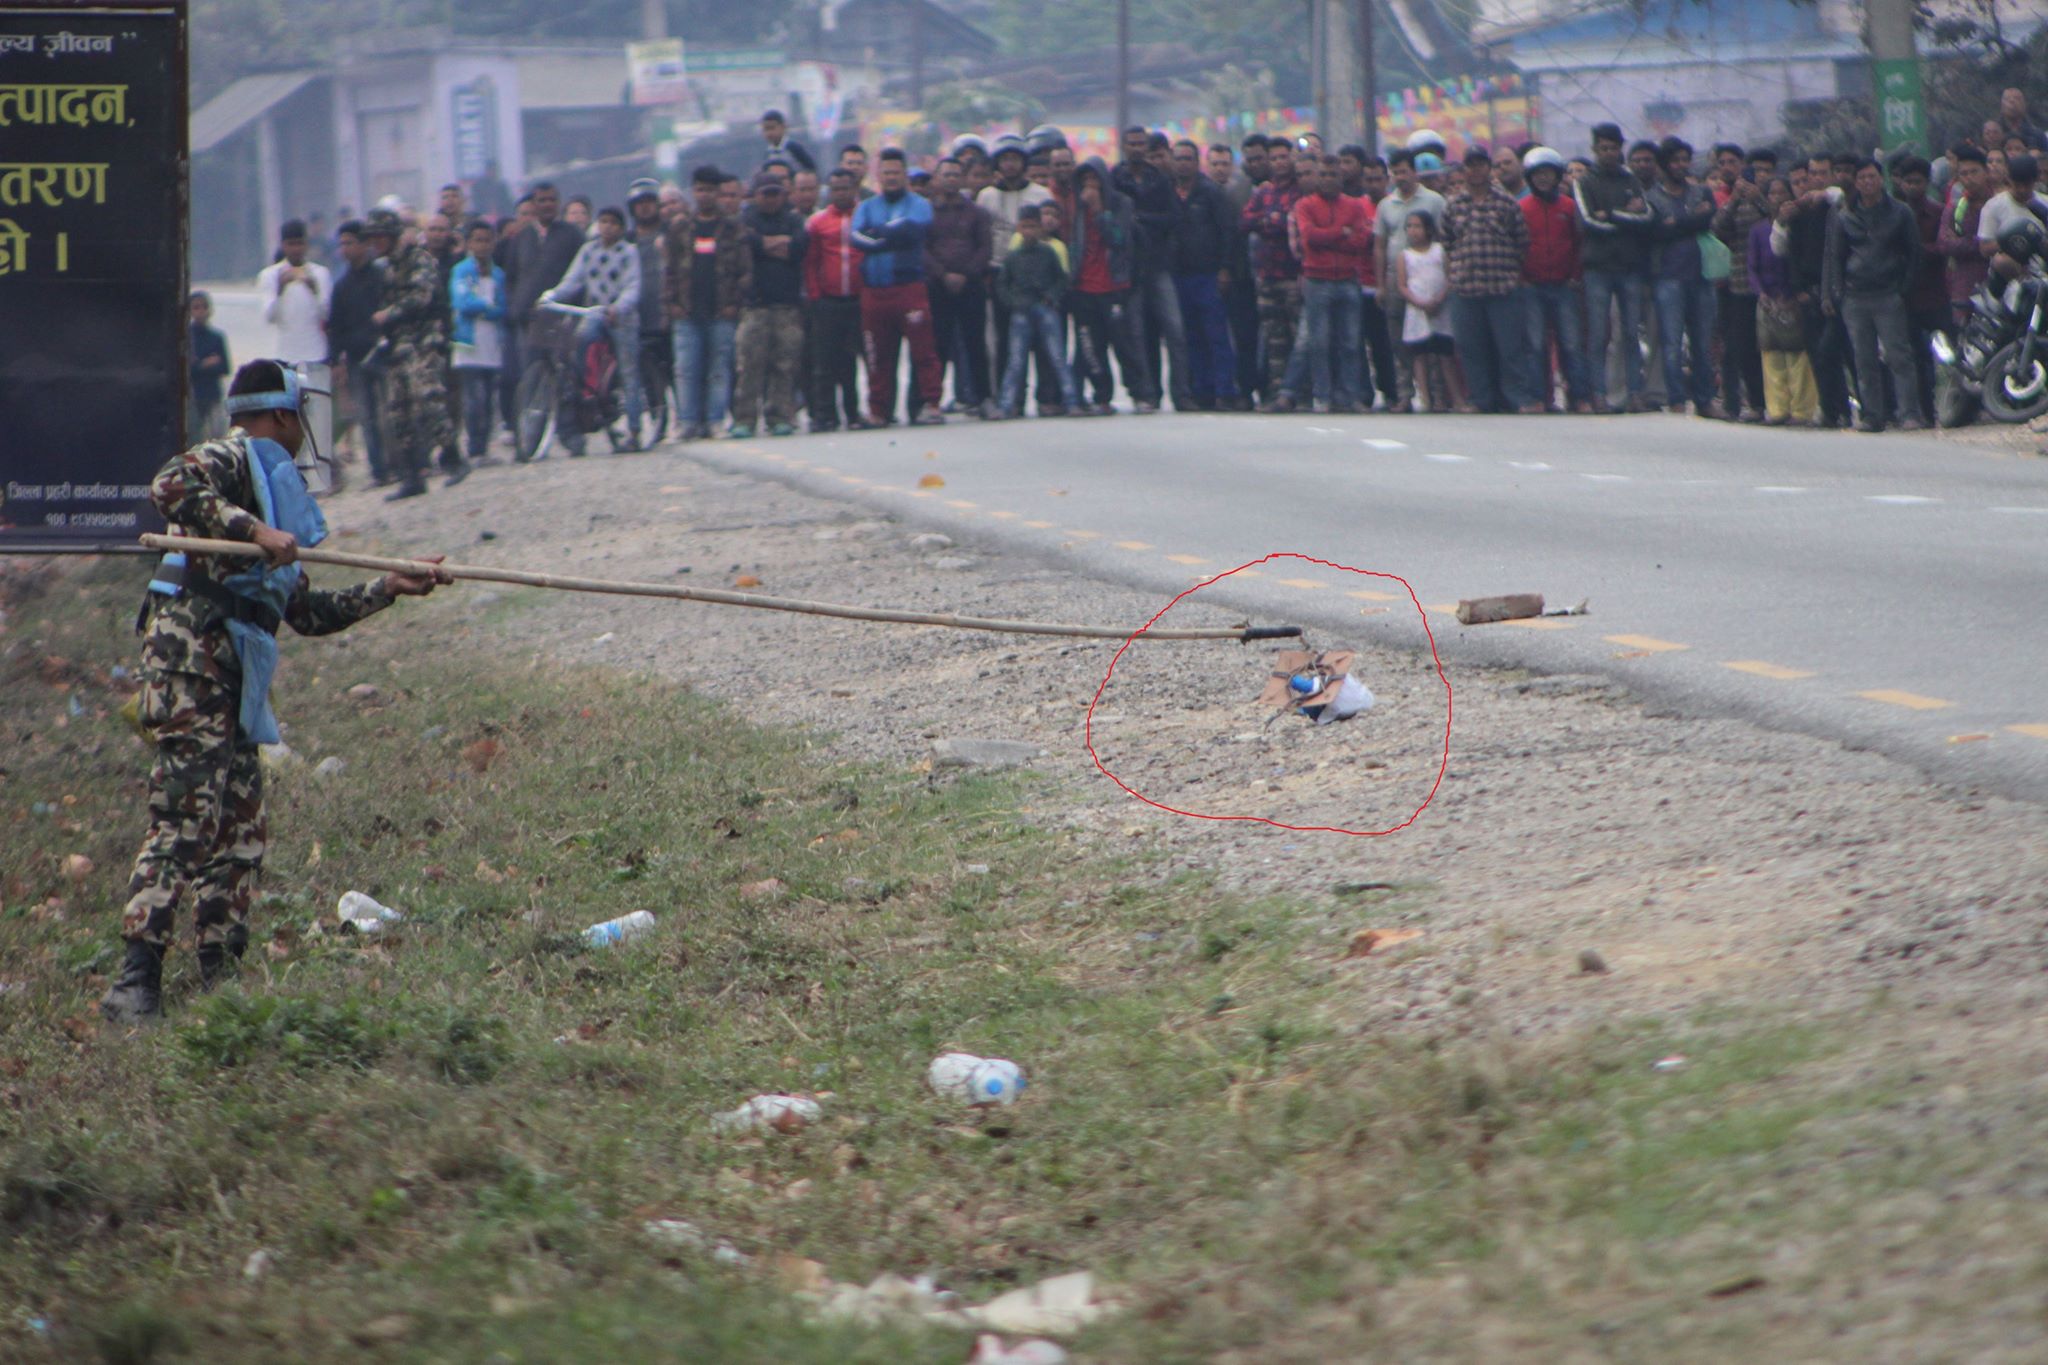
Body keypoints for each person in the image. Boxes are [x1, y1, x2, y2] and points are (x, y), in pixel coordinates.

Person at [100, 359, 450, 1023]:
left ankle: (220, 980)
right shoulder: (231, 458)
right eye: (298, 417)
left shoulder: (270, 490)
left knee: (240, 833)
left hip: (236, 675)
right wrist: (254, 532)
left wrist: (389, 588)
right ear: (283, 416)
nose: (301, 430)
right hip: (191, 663)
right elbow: (169, 483)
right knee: (184, 819)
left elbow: (305, 613)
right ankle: (134, 982)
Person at [366, 208, 462, 499]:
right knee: (398, 409)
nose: (375, 242)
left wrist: (389, 314)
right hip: (399, 345)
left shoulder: (418, 259)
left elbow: (422, 297)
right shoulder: (386, 267)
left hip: (424, 340)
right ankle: (411, 475)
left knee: (428, 397)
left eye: (379, 236)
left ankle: (452, 457)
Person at [1822, 158, 1923, 431]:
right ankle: (1872, 415)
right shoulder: (1844, 215)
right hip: (1855, 296)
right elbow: (1835, 256)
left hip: (1889, 293)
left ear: (1882, 180)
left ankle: (1909, 413)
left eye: (1872, 177)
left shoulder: (1899, 212)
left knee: (1899, 355)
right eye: (1862, 178)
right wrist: (1836, 292)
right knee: (1863, 359)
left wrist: (1904, 287)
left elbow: (1914, 252)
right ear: (1855, 183)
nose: (1867, 182)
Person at [851, 148, 945, 426]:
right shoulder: (866, 206)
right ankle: (878, 410)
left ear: (905, 175)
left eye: (896, 173)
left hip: (909, 288)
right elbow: (857, 238)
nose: (891, 178)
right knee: (877, 356)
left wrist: (878, 233)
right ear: (878, 176)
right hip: (874, 292)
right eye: (886, 173)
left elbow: (914, 230)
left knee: (924, 350)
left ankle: (931, 403)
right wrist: (890, 236)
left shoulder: (919, 204)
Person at [1442, 145, 1537, 413]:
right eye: (1470, 165)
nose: (1476, 170)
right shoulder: (1454, 205)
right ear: (1464, 169)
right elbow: (1447, 242)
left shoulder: (1505, 202)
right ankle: (1481, 399)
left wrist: (1509, 271)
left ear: (1488, 168)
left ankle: (1516, 398)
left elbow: (1521, 242)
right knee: (1472, 349)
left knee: (1510, 348)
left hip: (1502, 286)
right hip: (1466, 288)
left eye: (1481, 164)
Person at [547, 205, 645, 451]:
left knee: (629, 371)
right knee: (580, 344)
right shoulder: (588, 250)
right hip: (594, 313)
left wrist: (618, 307)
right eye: (603, 222)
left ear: (621, 228)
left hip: (621, 318)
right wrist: (551, 296)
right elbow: (573, 280)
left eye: (613, 223)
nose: (607, 227)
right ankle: (589, 400)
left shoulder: (628, 252)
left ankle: (634, 428)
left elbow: (633, 286)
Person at [665, 165, 749, 441]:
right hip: (686, 310)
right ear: (693, 191)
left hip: (721, 310)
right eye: (700, 189)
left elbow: (744, 270)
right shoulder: (679, 227)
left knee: (719, 369)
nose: (705, 195)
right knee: (687, 369)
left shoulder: (733, 227)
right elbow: (669, 269)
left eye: (711, 190)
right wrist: (671, 303)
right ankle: (688, 421)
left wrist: (735, 303)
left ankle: (715, 420)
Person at [500, 181, 585, 454]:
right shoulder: (521, 238)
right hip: (528, 317)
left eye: (551, 200)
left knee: (564, 374)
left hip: (561, 315)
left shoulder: (572, 235)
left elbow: (582, 276)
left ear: (558, 204)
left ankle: (570, 433)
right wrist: (516, 305)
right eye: (541, 200)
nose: (546, 205)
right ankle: (530, 438)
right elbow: (512, 276)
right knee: (532, 376)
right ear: (533, 205)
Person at [1575, 123, 1655, 412]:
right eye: (1604, 148)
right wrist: (1622, 215)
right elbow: (1587, 222)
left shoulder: (1630, 180)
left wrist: (1609, 215)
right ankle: (1599, 393)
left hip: (1629, 266)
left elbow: (1645, 217)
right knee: (1599, 334)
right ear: (1595, 149)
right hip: (1598, 267)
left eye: (1614, 147)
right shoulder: (1584, 181)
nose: (1609, 153)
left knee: (1631, 332)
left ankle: (1635, 393)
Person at [1644, 137, 1721, 417]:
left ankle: (1705, 400)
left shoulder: (1701, 192)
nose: (1681, 165)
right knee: (1672, 343)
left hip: (1701, 275)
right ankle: (1676, 398)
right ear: (1665, 165)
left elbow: (1708, 218)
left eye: (1685, 160)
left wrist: (1677, 223)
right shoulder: (1652, 197)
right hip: (1667, 276)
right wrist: (1690, 220)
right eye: (1675, 160)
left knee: (1703, 344)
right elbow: (1655, 231)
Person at [1067, 157, 1149, 414]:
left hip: (1113, 285)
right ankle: (1101, 395)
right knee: (1091, 346)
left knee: (1125, 344)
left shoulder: (1121, 204)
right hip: (1084, 287)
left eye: (1094, 180)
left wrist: (1100, 212)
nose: (1090, 186)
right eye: (1085, 181)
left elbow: (1119, 240)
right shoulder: (1076, 209)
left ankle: (1140, 393)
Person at [730, 173, 809, 439]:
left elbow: (798, 247)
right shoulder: (745, 219)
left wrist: (763, 244)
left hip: (787, 306)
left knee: (785, 365)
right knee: (749, 364)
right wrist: (775, 244)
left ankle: (780, 417)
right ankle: (744, 418)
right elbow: (746, 243)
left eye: (776, 193)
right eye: (766, 193)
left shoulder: (794, 218)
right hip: (755, 305)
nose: (771, 198)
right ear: (755, 195)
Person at [1114, 127, 1187, 412]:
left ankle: (1182, 394)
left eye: (1140, 144)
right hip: (1129, 268)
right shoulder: (1114, 179)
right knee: (1137, 334)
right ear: (1123, 146)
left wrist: (1139, 219)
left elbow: (1173, 218)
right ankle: (1146, 393)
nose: (1136, 148)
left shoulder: (1159, 180)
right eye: (1131, 143)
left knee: (1175, 331)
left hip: (1159, 264)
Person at [1290, 154, 1368, 411]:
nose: (1327, 180)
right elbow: (1309, 238)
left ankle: (1350, 396)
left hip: (1347, 278)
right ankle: (1322, 395)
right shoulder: (1305, 205)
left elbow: (1360, 241)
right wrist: (1341, 233)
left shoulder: (1354, 206)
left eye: (1332, 175)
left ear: (1340, 178)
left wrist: (1332, 237)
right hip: (1317, 279)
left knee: (1350, 341)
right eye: (1323, 175)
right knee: (1319, 341)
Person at [1519, 147, 1592, 412]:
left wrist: (1575, 275)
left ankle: (1580, 397)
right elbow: (1517, 245)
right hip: (1532, 286)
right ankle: (1538, 398)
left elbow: (1579, 242)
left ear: (1557, 176)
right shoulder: (1523, 207)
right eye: (1537, 174)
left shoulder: (1569, 206)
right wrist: (1523, 277)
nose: (1543, 179)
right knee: (1535, 344)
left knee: (1571, 344)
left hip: (1564, 285)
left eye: (1548, 174)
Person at [1374, 149, 1447, 412]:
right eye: (1394, 172)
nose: (1399, 177)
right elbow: (1380, 245)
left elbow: (1444, 239)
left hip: (1428, 277)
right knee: (1399, 339)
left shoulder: (1434, 201)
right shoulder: (1386, 205)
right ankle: (1405, 394)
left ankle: (1438, 396)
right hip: (1397, 278)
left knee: (1433, 337)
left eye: (1404, 171)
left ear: (1414, 172)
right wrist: (1381, 283)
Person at [1168, 139, 1237, 410]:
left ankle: (1224, 391)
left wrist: (1225, 268)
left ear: (1197, 163)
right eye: (1179, 158)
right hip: (1179, 275)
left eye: (1188, 159)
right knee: (1191, 337)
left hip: (1208, 274)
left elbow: (1227, 232)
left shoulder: (1211, 193)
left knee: (1217, 336)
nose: (1183, 164)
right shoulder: (1168, 193)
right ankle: (1202, 391)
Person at [995, 205, 1082, 418]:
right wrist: (1012, 302)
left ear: (1040, 228)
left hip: (1045, 308)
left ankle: (1071, 401)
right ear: (1018, 228)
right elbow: (1002, 284)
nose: (1029, 231)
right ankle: (1006, 405)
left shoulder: (1048, 252)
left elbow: (1061, 279)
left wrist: (1051, 296)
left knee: (1057, 357)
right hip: (1021, 311)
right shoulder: (1013, 256)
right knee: (1016, 361)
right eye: (1025, 227)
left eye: (1033, 227)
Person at [925, 157, 995, 418]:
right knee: (937, 345)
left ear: (963, 179)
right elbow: (923, 249)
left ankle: (984, 399)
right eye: (947, 175)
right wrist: (943, 274)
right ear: (937, 179)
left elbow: (984, 248)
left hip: (971, 284)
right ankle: (932, 402)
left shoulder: (977, 213)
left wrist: (966, 273)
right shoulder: (927, 213)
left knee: (975, 344)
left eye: (956, 174)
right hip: (938, 285)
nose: (952, 179)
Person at [1243, 137, 1308, 411]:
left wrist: (1271, 222)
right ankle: (1275, 393)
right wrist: (1273, 221)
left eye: (1284, 157)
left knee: (1298, 337)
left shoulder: (1301, 191)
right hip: (1267, 275)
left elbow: (1296, 225)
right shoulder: (1262, 193)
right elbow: (1245, 221)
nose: (1280, 162)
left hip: (1294, 275)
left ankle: (1301, 394)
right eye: (1275, 158)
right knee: (1273, 339)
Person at [804, 168, 867, 433]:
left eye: (846, 188)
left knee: (850, 361)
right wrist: (816, 295)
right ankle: (824, 415)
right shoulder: (818, 223)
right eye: (836, 189)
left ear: (854, 189)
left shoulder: (864, 216)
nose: (841, 193)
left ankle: (853, 413)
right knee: (824, 362)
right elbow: (811, 262)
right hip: (828, 302)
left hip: (858, 300)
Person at [1751, 178, 1817, 425]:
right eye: (1772, 193)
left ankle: (1802, 410)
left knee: (1798, 354)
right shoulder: (1758, 229)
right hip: (1768, 300)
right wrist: (1762, 294)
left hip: (1793, 297)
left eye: (1782, 192)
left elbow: (1796, 261)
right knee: (1771, 353)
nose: (1777, 197)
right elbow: (1752, 266)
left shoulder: (1798, 225)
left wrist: (1793, 294)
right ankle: (1777, 409)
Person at [326, 221, 387, 482]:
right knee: (367, 416)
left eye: (350, 243)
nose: (345, 249)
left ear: (364, 245)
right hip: (355, 359)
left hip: (384, 354)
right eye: (342, 244)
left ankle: (401, 465)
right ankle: (378, 470)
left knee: (390, 412)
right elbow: (335, 327)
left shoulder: (382, 279)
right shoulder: (341, 286)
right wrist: (335, 361)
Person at [1713, 159, 1771, 421]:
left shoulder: (1770, 198)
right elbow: (1718, 228)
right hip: (1739, 283)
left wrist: (1760, 199)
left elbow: (1778, 219)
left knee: (1775, 345)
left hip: (1772, 284)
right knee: (1743, 348)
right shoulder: (1733, 205)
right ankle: (1752, 404)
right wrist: (1735, 199)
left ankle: (1777, 403)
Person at [1393, 211, 1464, 412]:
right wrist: (1419, 302)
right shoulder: (1405, 255)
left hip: (1441, 308)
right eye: (1410, 226)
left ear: (1429, 229)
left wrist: (1440, 298)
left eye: (1418, 226)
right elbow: (1402, 285)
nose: (1413, 231)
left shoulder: (1439, 251)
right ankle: (1425, 398)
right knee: (1420, 356)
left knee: (1445, 355)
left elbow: (1449, 277)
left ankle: (1455, 398)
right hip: (1417, 310)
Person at [1893, 155, 1946, 424]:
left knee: (1945, 355)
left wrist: (1916, 252)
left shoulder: (1938, 212)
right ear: (1900, 183)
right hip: (1905, 296)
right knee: (1914, 357)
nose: (1913, 187)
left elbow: (1944, 246)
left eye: (1918, 181)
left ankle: (1947, 409)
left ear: (1927, 183)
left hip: (1936, 294)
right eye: (1908, 181)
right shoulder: (1892, 213)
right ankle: (1923, 412)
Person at [450, 220, 507, 465]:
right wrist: (486, 307)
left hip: (492, 343)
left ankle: (483, 447)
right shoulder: (462, 271)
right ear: (469, 243)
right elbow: (462, 303)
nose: (482, 245)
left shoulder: (498, 274)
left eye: (487, 240)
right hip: (468, 343)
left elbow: (502, 308)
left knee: (488, 399)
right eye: (477, 240)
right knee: (474, 398)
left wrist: (484, 309)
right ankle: (474, 448)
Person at [627, 178, 670, 439]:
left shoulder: (670, 235)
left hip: (667, 313)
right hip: (639, 316)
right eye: (639, 204)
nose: (644, 209)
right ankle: (657, 418)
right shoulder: (627, 241)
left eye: (649, 202)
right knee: (645, 374)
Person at [257, 220, 331, 368]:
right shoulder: (270, 275)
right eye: (291, 244)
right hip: (283, 356)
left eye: (300, 243)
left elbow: (327, 315)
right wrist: (280, 289)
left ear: (307, 244)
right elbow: (270, 317)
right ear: (283, 245)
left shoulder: (320, 274)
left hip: (315, 355)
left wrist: (314, 291)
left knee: (312, 393)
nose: (296, 249)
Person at [1936, 144, 1993, 331]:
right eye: (1964, 174)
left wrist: (1961, 242)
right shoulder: (1955, 208)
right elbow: (1944, 244)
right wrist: (1982, 244)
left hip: (1996, 283)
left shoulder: (1999, 203)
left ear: (1986, 172)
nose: (1969, 178)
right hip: (1964, 285)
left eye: (1974, 172)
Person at [187, 291, 230, 440]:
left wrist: (200, 365)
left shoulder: (217, 337)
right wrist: (206, 364)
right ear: (190, 311)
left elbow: (225, 368)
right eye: (196, 307)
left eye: (204, 307)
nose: (201, 311)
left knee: (217, 436)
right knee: (194, 437)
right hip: (193, 396)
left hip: (213, 395)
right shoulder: (186, 337)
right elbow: (187, 370)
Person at [758, 108, 815, 173]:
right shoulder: (768, 153)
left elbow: (810, 168)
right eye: (765, 129)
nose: (769, 133)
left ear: (783, 127)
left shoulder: (793, 148)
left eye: (772, 128)